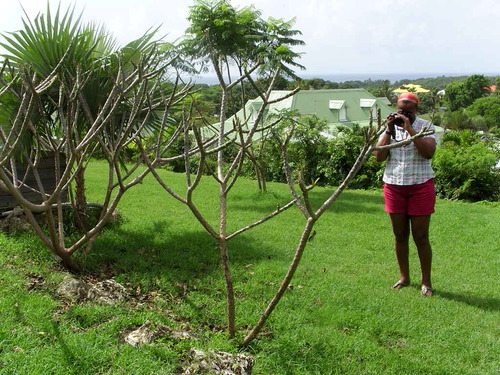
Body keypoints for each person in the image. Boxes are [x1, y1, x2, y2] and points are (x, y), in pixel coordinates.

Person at [373, 92, 437, 297]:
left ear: (416, 109)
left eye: (407, 111)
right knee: (400, 235)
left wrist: (409, 129)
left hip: (420, 186)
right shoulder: (389, 128)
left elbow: (428, 153)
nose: (403, 113)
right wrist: (389, 130)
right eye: (400, 110)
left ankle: (426, 282)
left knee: (421, 237)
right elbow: (378, 157)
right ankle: (404, 277)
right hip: (394, 186)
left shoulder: (426, 126)